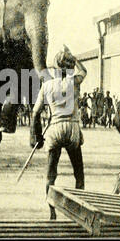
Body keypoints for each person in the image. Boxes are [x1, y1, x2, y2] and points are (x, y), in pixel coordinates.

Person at [31, 45, 86, 220]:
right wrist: (74, 57)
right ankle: (78, 210)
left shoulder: (47, 85)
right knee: (79, 173)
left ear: (54, 68)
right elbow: (84, 70)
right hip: (72, 127)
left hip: (54, 128)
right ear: (69, 67)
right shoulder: (74, 81)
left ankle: (52, 212)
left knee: (51, 173)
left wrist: (37, 135)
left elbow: (35, 113)